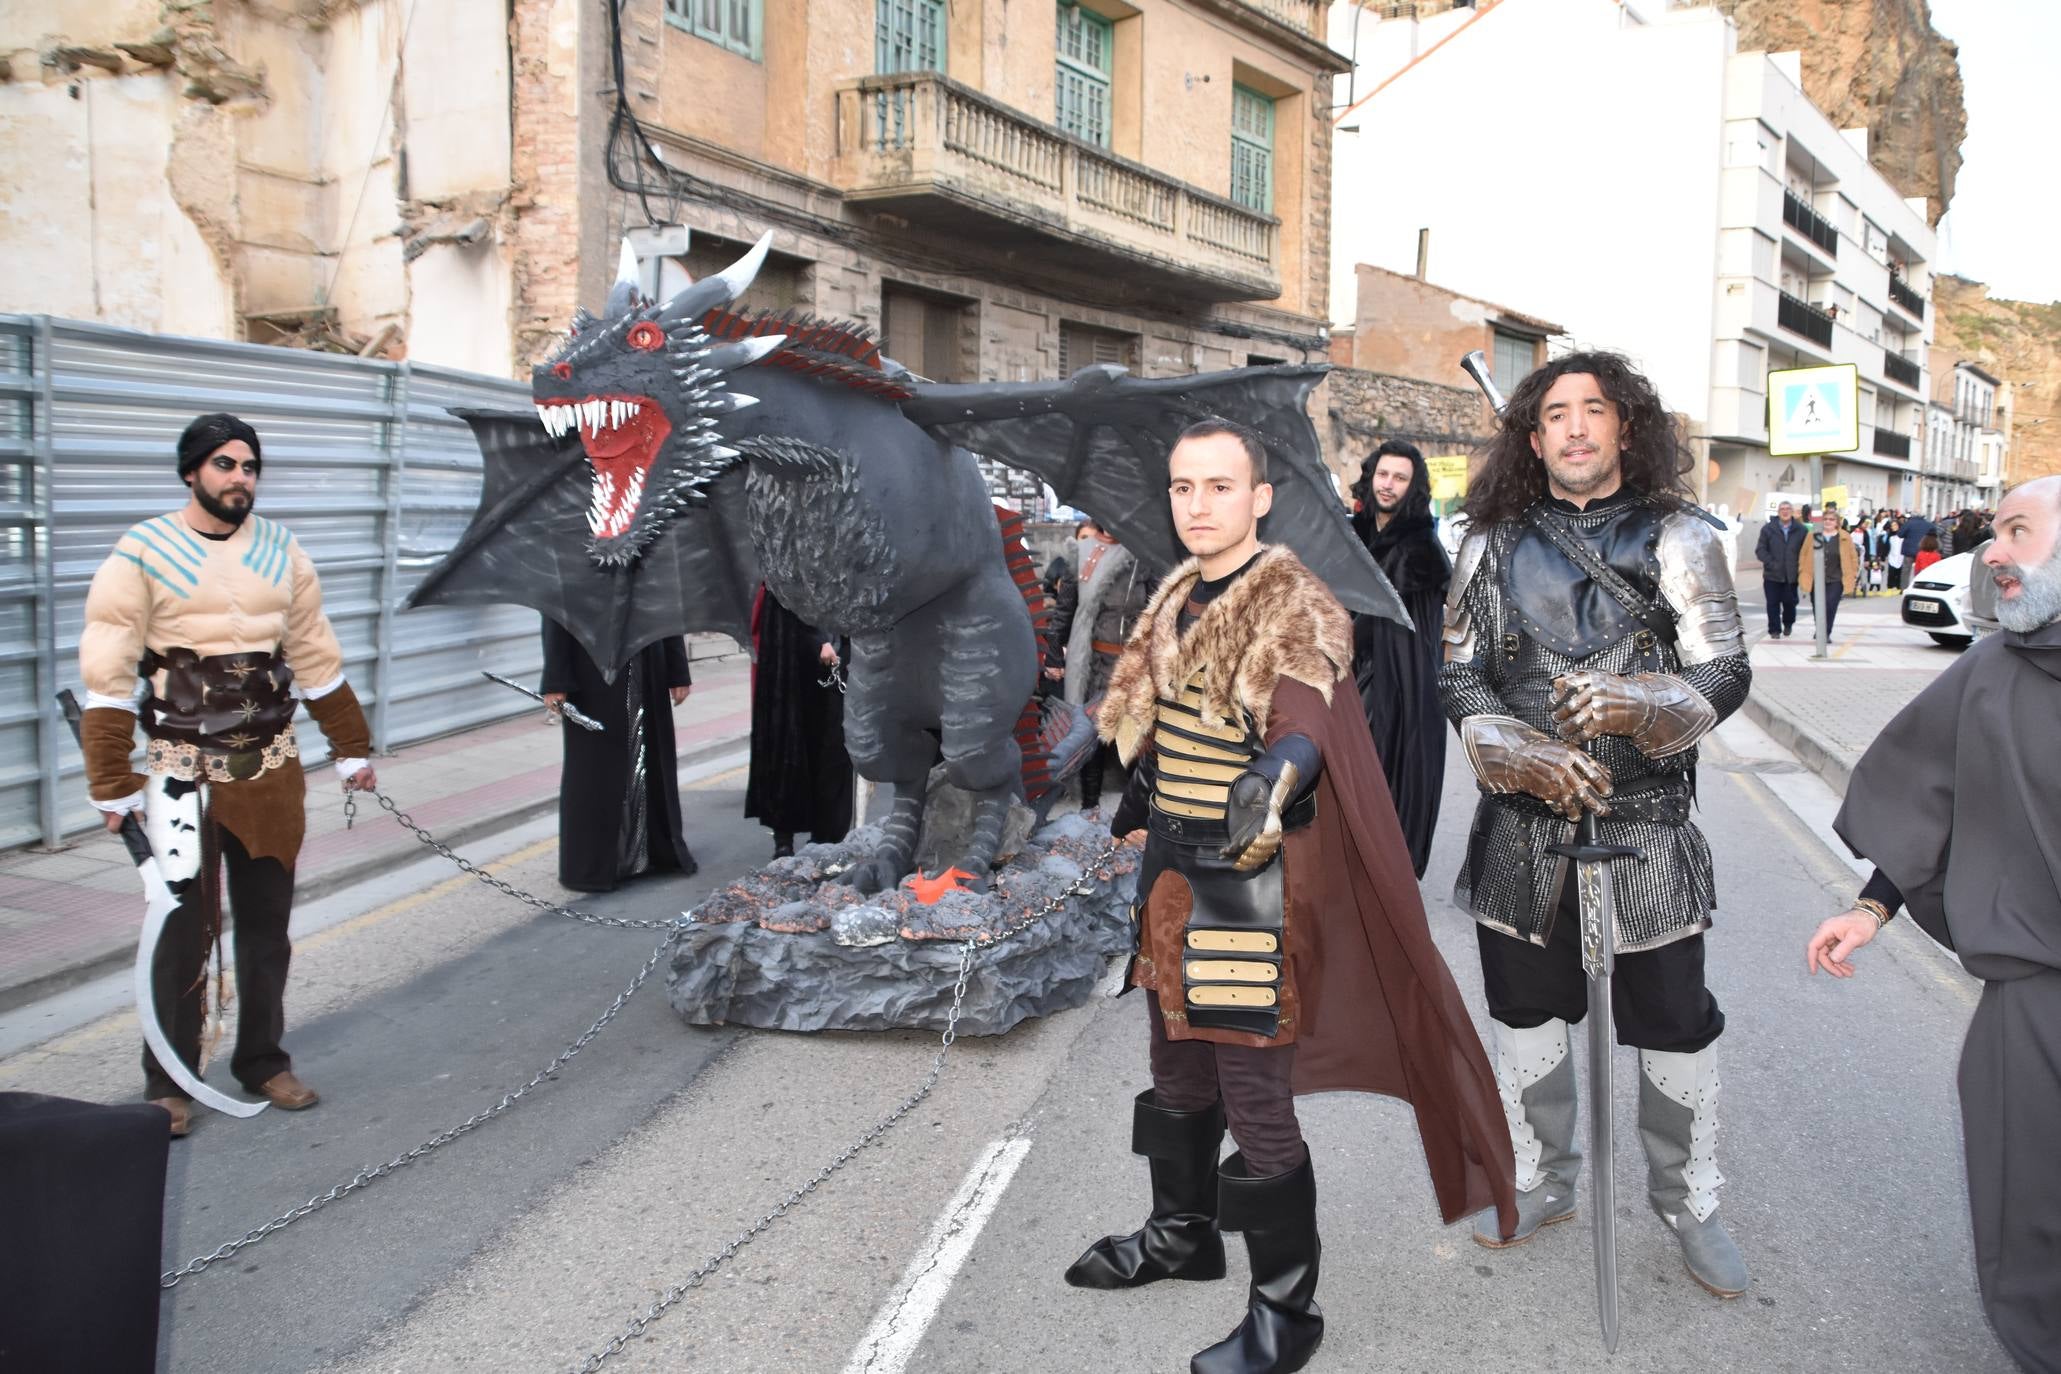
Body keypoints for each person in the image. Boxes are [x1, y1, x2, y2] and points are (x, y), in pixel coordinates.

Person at [1067, 419, 1515, 1374]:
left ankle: (1286, 1313)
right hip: (1173, 875)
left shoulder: (1292, 600)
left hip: (1247, 885)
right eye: (1184, 486)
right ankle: (1180, 1235)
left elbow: (1304, 711)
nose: (1197, 504)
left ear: (1259, 498)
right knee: (1175, 1067)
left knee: (1254, 1098)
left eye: (1219, 487)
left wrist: (1277, 771)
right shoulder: (1178, 591)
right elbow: (1154, 723)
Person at [1438, 351, 1754, 1297]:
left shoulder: (1681, 536)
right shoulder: (1485, 541)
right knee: (1524, 1013)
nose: (1575, 429)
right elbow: (1458, 673)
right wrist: (1509, 744)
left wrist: (1638, 704)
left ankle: (1687, 1199)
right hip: (1521, 828)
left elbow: (1725, 670)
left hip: (1646, 822)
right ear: (1531, 438)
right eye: (1556, 415)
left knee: (1674, 1022)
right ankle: (1542, 1180)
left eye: (1594, 411)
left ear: (1625, 426)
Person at [1805, 476, 2061, 1372]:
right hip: (2033, 993)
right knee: (2026, 1192)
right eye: (1992, 535)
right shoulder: (1989, 671)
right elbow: (1931, 806)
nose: (1993, 554)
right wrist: (1871, 908)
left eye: (2017, 534)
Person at [77, 413, 377, 1137]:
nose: (239, 477)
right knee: (182, 930)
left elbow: (313, 654)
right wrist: (111, 780)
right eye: (223, 464)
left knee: (267, 927)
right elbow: (109, 669)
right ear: (192, 472)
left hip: (270, 768)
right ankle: (170, 1080)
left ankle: (263, 1061)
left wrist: (352, 748)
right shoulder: (142, 551)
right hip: (181, 773)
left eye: (249, 466)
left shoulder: (282, 550)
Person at [1346, 439, 1451, 876]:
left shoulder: (1421, 547)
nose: (1388, 485)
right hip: (1344, 672)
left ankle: (1381, 873)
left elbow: (1416, 637)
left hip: (1395, 685)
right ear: (1371, 476)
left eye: (1400, 478)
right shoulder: (1352, 533)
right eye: (1383, 474)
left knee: (1383, 775)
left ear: (1414, 487)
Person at [540, 624, 696, 892]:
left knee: (648, 762)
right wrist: (555, 680)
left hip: (647, 668)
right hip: (591, 673)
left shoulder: (653, 578)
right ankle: (595, 864)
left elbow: (666, 608)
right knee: (595, 771)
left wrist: (677, 670)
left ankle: (648, 853)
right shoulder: (569, 578)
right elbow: (557, 613)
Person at [1048, 520, 1156, 806]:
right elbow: (1065, 609)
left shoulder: (1143, 557)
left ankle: (1136, 813)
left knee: (1135, 738)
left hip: (1133, 665)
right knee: (1091, 736)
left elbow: (1161, 608)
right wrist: (1054, 655)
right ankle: (1090, 806)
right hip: (1094, 662)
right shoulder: (1081, 552)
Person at [744, 586, 853, 858]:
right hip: (790, 653)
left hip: (835, 647)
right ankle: (785, 837)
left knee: (831, 747)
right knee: (787, 742)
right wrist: (819, 640)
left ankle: (825, 835)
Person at [1754, 500, 1808, 638]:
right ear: (1778, 512)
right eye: (1782, 509)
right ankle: (1774, 630)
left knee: (1790, 603)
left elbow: (1806, 551)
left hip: (1791, 575)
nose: (1785, 511)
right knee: (1772, 603)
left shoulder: (1801, 530)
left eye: (1788, 509)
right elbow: (1760, 550)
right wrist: (1771, 563)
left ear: (1792, 512)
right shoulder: (1768, 529)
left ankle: (1788, 623)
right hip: (1772, 574)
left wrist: (1799, 566)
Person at [1798, 506, 1854, 638]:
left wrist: (1853, 573)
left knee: (1830, 605)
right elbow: (1804, 554)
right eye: (1825, 519)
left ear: (1837, 522)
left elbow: (1853, 558)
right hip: (1816, 578)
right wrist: (1802, 570)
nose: (1828, 521)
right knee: (1817, 605)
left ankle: (1826, 632)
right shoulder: (1813, 535)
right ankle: (1820, 629)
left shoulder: (1844, 537)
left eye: (1831, 519)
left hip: (1836, 579)